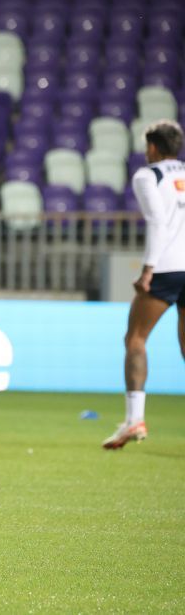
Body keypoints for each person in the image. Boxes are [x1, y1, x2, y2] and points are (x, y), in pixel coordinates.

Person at [105, 119, 185, 449]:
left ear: (152, 146)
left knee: (135, 338)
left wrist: (148, 270)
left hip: (166, 267)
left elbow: (157, 224)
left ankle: (134, 419)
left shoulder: (147, 175)